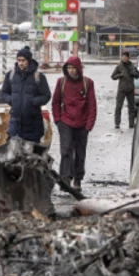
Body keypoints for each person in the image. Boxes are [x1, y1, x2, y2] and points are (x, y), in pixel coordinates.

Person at [52, 55, 97, 190]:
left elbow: (92, 106)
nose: (71, 71)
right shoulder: (61, 82)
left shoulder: (88, 83)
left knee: (80, 153)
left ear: (78, 68)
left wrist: (89, 125)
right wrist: (58, 120)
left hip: (82, 124)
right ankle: (66, 178)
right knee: (66, 150)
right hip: (65, 122)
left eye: (73, 68)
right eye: (69, 68)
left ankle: (78, 178)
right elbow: (55, 102)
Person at [2, 48, 51, 143]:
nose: (20, 63)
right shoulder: (11, 75)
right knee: (14, 150)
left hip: (33, 123)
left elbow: (46, 95)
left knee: (31, 151)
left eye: (23, 60)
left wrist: (32, 101)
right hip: (15, 123)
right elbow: (4, 92)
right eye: (19, 60)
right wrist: (11, 100)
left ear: (28, 60)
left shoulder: (38, 77)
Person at [111, 51, 139, 129]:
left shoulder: (132, 66)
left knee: (131, 107)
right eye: (123, 56)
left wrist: (134, 73)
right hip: (122, 90)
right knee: (118, 107)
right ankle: (117, 123)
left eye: (126, 57)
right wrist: (120, 75)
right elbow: (113, 76)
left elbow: (137, 75)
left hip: (130, 89)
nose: (124, 58)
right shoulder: (119, 66)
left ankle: (131, 124)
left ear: (128, 57)